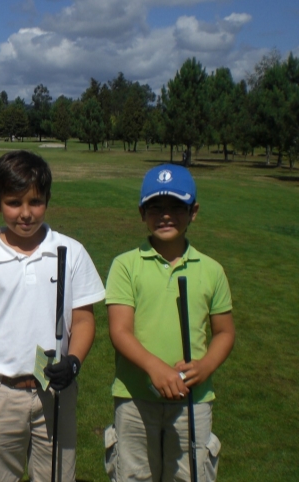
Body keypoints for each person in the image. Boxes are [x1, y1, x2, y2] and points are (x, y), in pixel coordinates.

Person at [0, 150, 105, 482]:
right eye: (14, 202)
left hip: (55, 390)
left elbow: (84, 320)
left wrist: (74, 361)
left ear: (47, 199)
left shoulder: (70, 251)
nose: (26, 213)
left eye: (35, 202)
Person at [103, 164, 235, 482]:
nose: (166, 215)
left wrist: (205, 367)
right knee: (134, 474)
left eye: (177, 206)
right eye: (156, 207)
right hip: (135, 396)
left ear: (194, 211)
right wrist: (155, 367)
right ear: (142, 212)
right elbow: (120, 331)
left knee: (189, 475)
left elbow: (224, 332)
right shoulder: (125, 265)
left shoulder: (211, 269)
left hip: (193, 398)